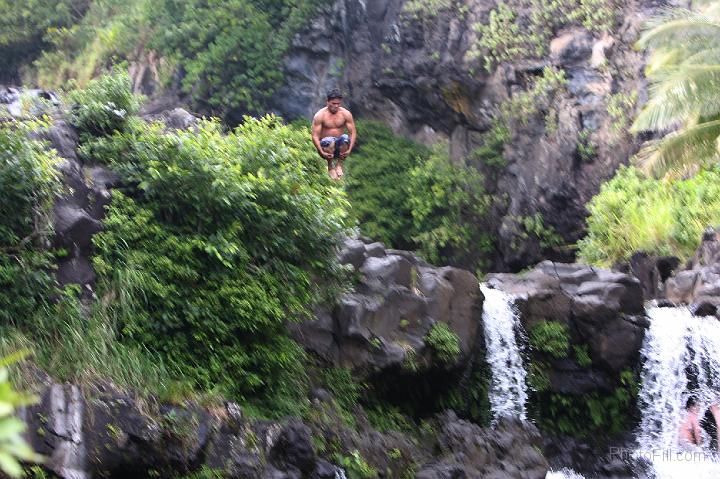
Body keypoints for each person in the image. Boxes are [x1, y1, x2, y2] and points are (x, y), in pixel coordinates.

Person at [312, 89, 356, 179]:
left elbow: (353, 132)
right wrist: (321, 151)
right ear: (327, 102)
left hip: (339, 147)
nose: (336, 106)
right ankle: (330, 166)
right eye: (333, 103)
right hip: (325, 147)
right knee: (330, 140)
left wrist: (350, 149)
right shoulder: (320, 115)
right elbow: (315, 136)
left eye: (338, 104)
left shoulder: (345, 114)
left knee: (345, 138)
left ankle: (339, 164)